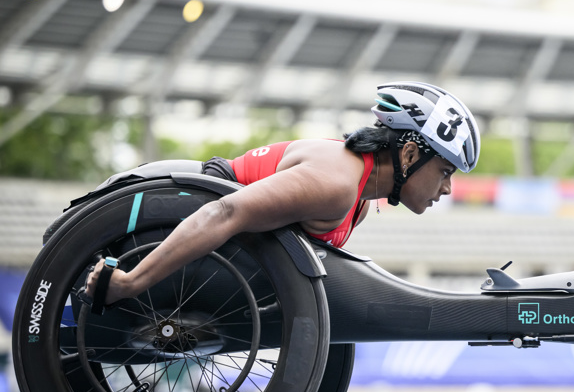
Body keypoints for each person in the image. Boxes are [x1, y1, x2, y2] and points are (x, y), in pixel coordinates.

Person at [83, 81, 480, 304]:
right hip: (182, 199)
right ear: (410, 153)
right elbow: (223, 214)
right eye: (445, 171)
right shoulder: (337, 184)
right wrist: (131, 283)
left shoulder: (358, 199)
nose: (447, 188)